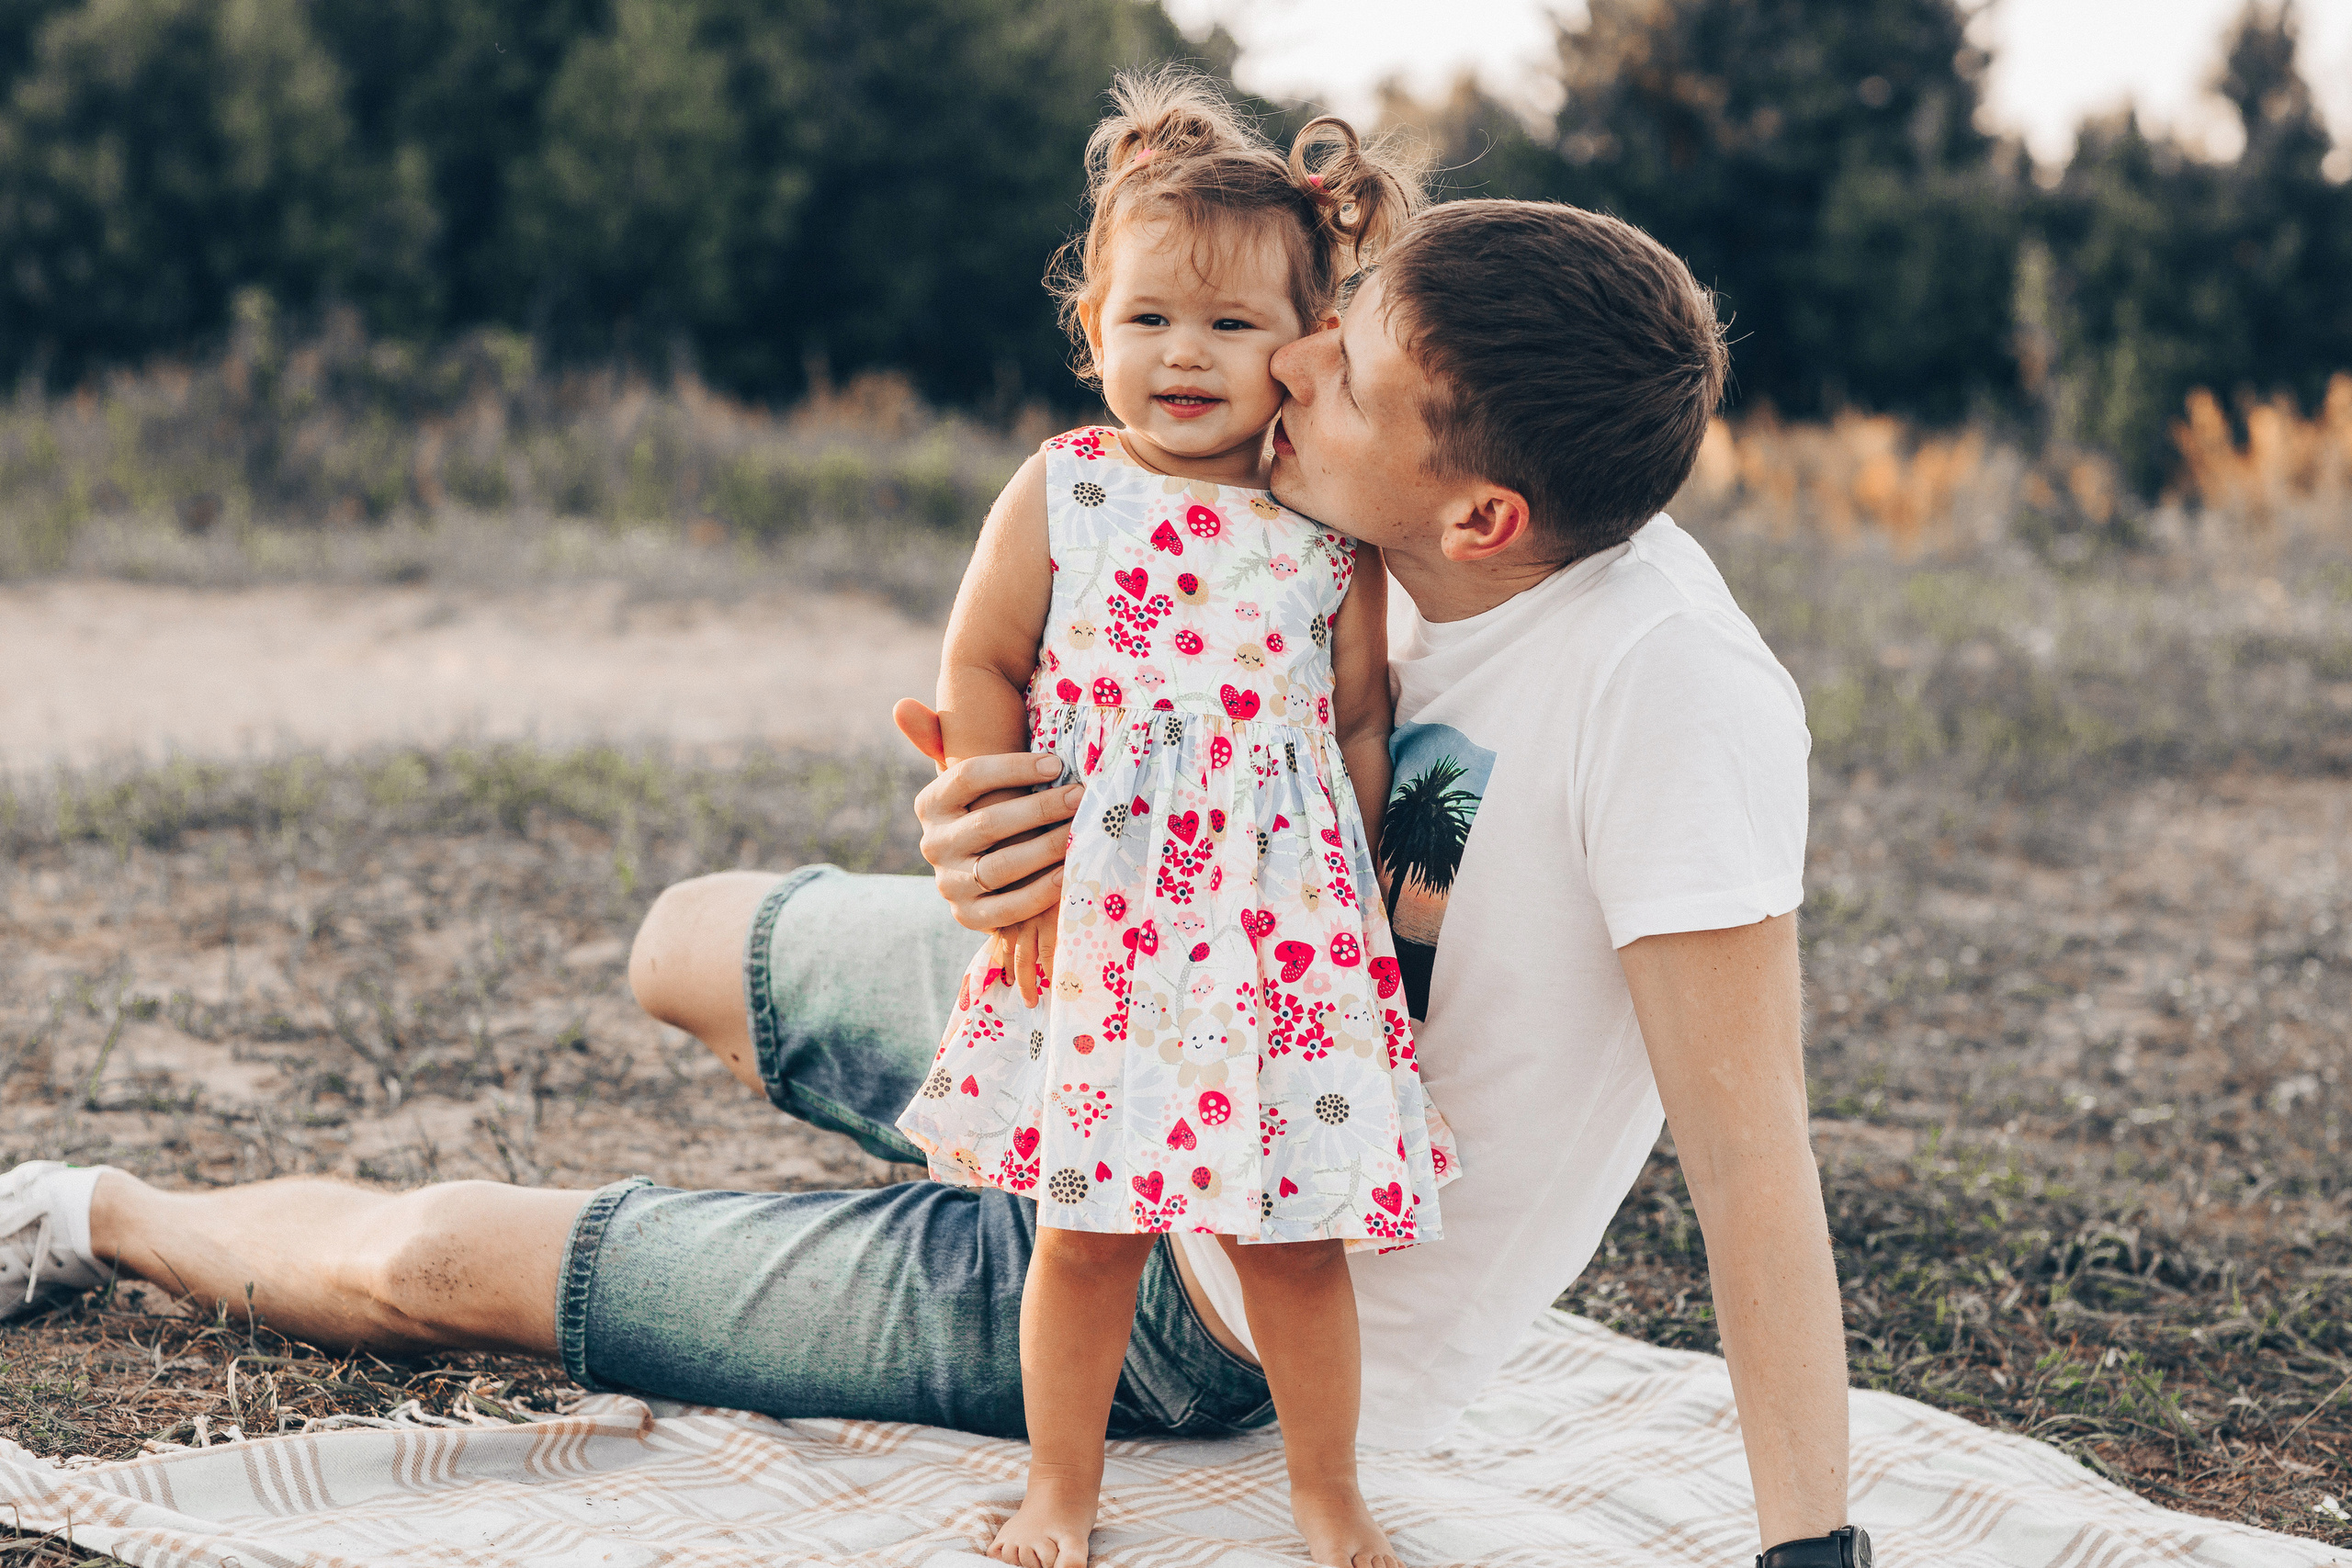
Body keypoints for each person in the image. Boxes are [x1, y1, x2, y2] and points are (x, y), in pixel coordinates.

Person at [1, 121, 1854, 1568]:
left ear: (1483, 513)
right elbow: (1077, 658)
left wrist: (1808, 1549)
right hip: (1104, 995)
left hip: (1222, 1270)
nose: (1287, 365)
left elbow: (1755, 1168)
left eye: (1337, 372)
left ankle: (87, 1209)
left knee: (433, 1261)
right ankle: (959, 1125)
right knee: (681, 935)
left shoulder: (1668, 690)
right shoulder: (1308, 517)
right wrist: (994, 839)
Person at [894, 73, 1453, 1568]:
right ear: (1094, 331)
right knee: (1087, 1237)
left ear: (1306, 343)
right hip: (1105, 924)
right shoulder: (1064, 493)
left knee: (1294, 1243)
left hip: (1279, 942)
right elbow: (978, 664)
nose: (1185, 352)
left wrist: (1352, 894)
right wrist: (1011, 857)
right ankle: (1059, 1490)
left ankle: (1326, 1493)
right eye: (1148, 317)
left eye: (1230, 323)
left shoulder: (1326, 532)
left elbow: (1356, 720)